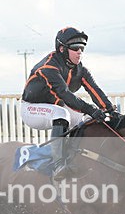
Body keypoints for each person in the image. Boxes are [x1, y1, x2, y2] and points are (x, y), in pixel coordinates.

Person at [20, 27, 115, 179]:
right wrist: (91, 109)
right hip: (31, 109)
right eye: (75, 48)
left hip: (55, 106)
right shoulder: (49, 67)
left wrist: (109, 110)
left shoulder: (80, 70)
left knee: (87, 120)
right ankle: (58, 164)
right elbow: (65, 94)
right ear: (62, 49)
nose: (80, 52)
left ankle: (75, 158)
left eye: (82, 48)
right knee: (61, 114)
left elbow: (94, 90)